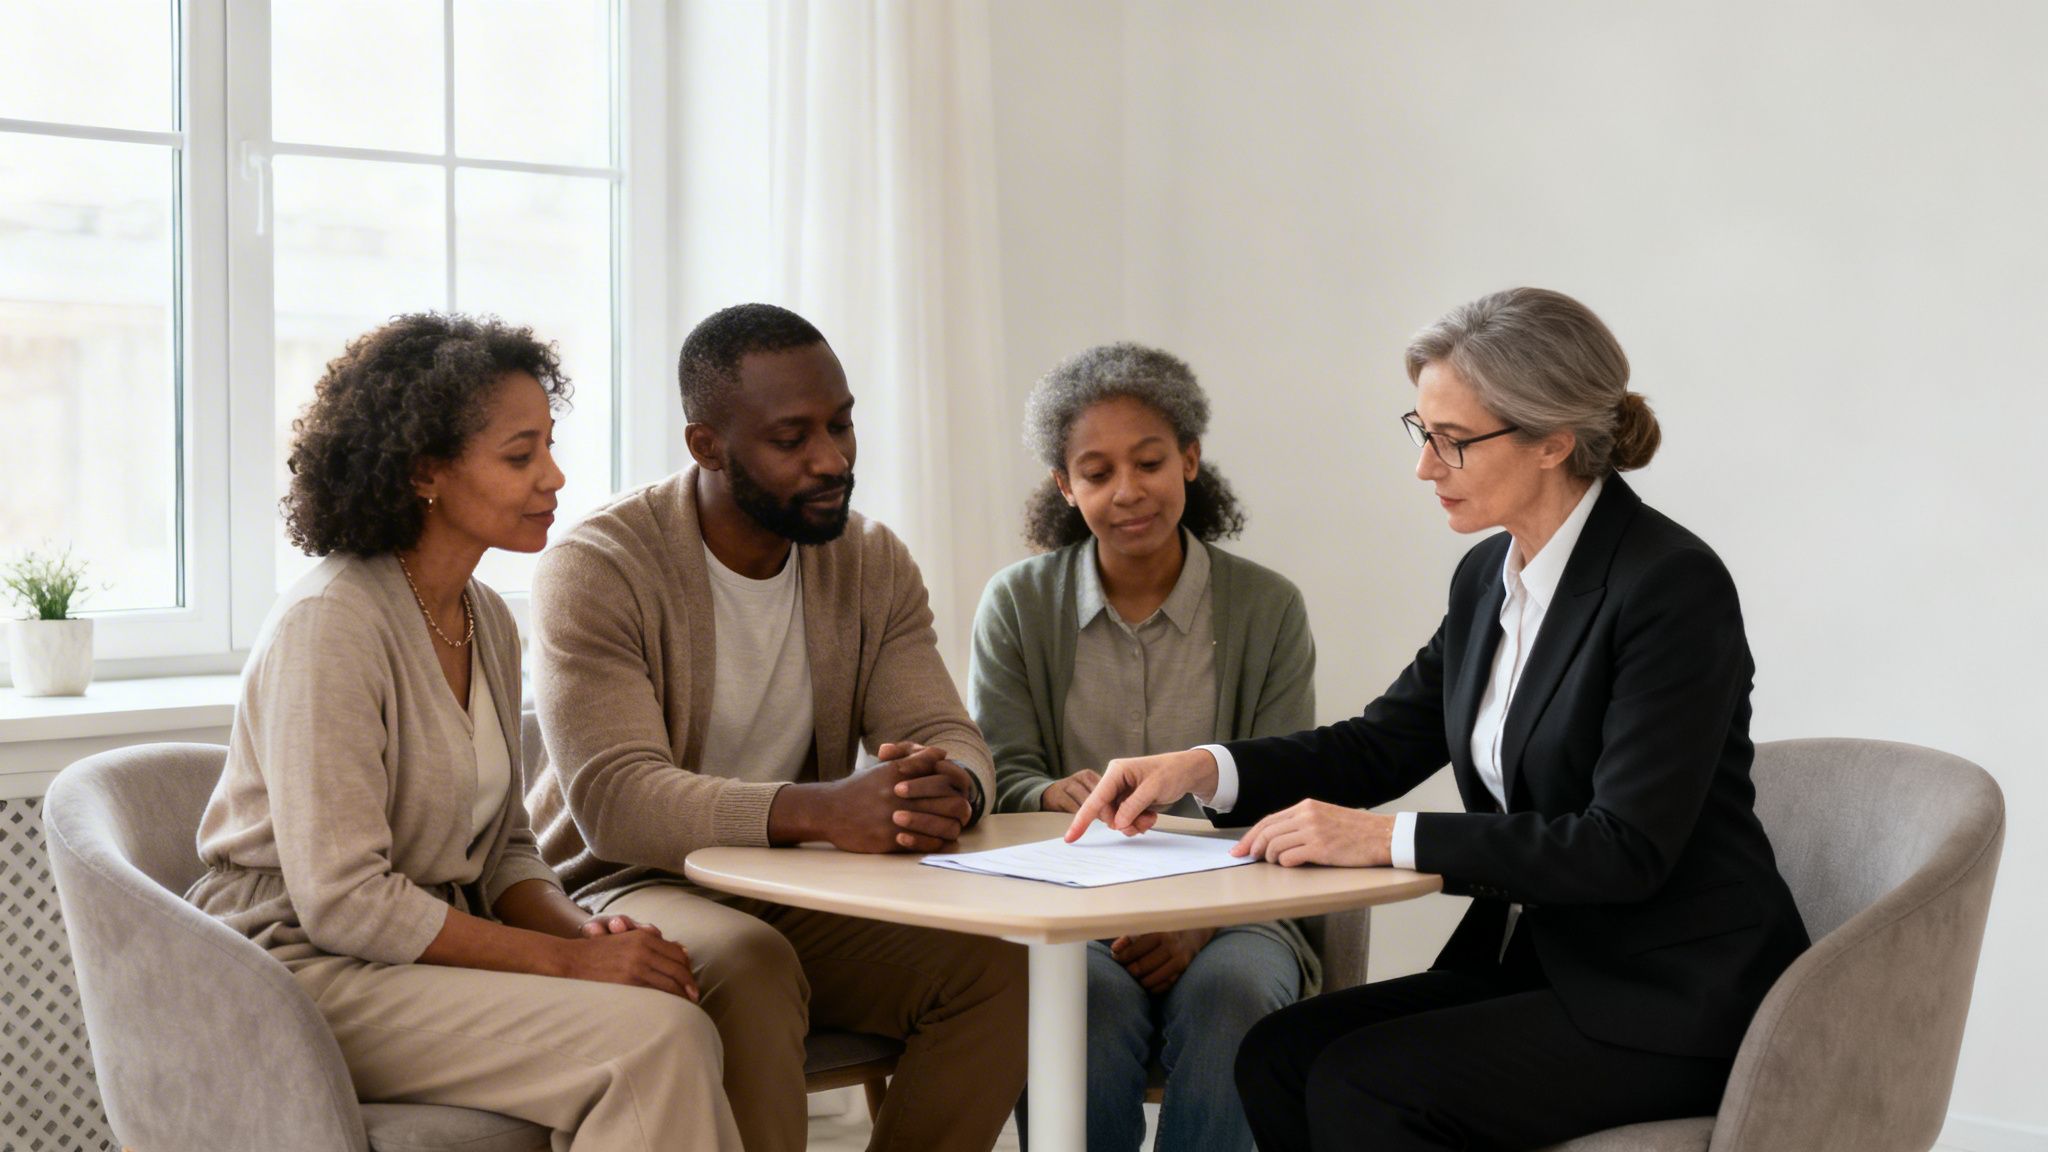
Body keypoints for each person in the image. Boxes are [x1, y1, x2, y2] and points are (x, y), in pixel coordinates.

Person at [1067, 288, 1810, 1150]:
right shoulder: (1491, 577)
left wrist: (1385, 839)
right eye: (1423, 434)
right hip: (1551, 968)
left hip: (1675, 996)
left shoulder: (1669, 586)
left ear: (1553, 442)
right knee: (1277, 1055)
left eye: (1453, 442)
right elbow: (1381, 742)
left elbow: (1625, 848)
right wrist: (1200, 768)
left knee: (1364, 1086)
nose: (1426, 468)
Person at [187, 313, 741, 1150]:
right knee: (652, 1042)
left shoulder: (484, 618)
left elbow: (507, 845)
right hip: (298, 971)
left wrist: (579, 932)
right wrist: (569, 965)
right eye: (520, 456)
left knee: (665, 1010)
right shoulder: (330, 624)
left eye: (549, 445)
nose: (553, 476)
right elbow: (343, 902)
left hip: (406, 959)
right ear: (424, 473)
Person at [526, 302, 1028, 1152]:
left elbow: (944, 725)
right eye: (792, 439)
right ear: (707, 445)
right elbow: (616, 802)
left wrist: (952, 786)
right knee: (748, 966)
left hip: (796, 887)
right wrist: (821, 811)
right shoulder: (599, 566)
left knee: (995, 966)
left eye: (841, 425)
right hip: (623, 886)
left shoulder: (871, 560)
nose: (832, 459)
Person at [968, 343, 1316, 1152]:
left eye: (1150, 461)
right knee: (1073, 1004)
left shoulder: (1268, 608)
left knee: (1235, 998)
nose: (1127, 491)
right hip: (1070, 916)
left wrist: (1192, 926)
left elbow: (1281, 790)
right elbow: (1001, 772)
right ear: (1064, 486)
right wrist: (1047, 793)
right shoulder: (1018, 605)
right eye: (1095, 473)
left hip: (1240, 917)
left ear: (1190, 460)